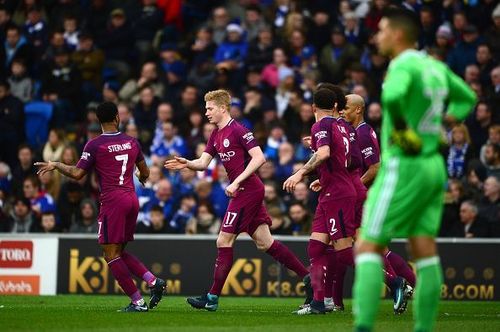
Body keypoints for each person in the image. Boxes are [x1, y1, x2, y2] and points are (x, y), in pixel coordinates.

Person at [353, 9, 476, 332]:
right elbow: (467, 97)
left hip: (403, 164)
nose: (377, 37)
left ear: (397, 34)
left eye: (381, 31)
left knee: (367, 246)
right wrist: (446, 120)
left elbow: (392, 96)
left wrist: (405, 131)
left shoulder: (402, 64)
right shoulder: (433, 66)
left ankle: (363, 326)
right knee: (424, 249)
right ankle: (423, 328)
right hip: (433, 165)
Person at [164, 89, 310, 311]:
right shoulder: (216, 134)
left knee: (223, 241)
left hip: (248, 190)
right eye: (205, 109)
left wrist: (236, 181)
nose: (206, 113)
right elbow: (203, 163)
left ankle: (211, 298)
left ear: (223, 108)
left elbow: (259, 158)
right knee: (265, 243)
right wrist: (187, 163)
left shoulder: (239, 130)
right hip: (244, 190)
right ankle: (309, 279)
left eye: (210, 108)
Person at [35, 101, 166, 312]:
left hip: (113, 201)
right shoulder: (132, 142)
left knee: (110, 254)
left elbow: (78, 174)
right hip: (132, 200)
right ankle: (152, 281)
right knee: (119, 251)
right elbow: (145, 172)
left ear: (99, 120)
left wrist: (56, 164)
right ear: (117, 118)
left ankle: (137, 302)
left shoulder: (94, 145)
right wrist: (141, 177)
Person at [283, 88, 357, 315]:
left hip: (338, 193)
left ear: (313, 107)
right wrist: (323, 179)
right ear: (335, 106)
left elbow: (324, 154)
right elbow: (344, 159)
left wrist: (299, 174)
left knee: (344, 252)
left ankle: (393, 281)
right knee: (316, 247)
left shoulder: (322, 125)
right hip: (330, 190)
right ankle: (318, 302)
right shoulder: (341, 127)